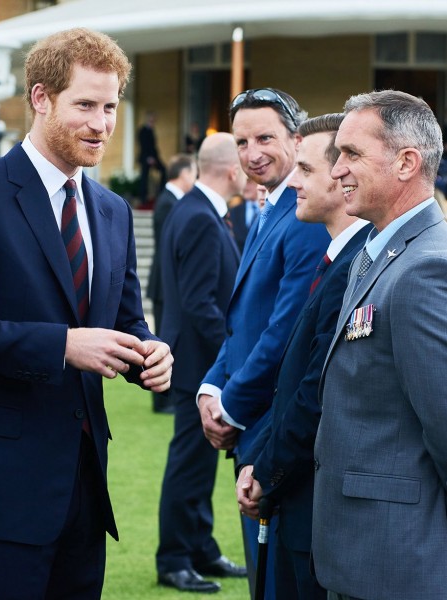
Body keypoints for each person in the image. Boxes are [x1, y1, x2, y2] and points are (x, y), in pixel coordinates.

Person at [0, 28, 173, 600]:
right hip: (3, 483)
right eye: (84, 105)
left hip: (85, 480)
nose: (101, 123)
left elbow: (124, 319)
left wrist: (148, 352)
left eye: (109, 107)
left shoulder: (112, 211)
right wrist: (60, 344)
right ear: (40, 98)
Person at [312, 90, 447, 600]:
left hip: (398, 562)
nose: (336, 170)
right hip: (365, 553)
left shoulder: (424, 269)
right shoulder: (383, 254)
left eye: (351, 154)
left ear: (407, 162)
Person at [197, 88, 330, 599]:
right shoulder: (268, 207)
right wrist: (210, 386)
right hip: (251, 425)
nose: (252, 154)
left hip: (275, 429)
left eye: (265, 138)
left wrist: (229, 407)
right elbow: (243, 320)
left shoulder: (303, 216)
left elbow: (285, 332)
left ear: (298, 140)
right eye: (242, 141)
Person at [235, 113, 371, 600]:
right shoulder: (335, 259)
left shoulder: (358, 267)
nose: (291, 179)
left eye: (306, 170)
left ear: (342, 178)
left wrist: (266, 469)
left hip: (315, 497)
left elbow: (316, 391)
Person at [156, 133, 246, 593]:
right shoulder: (198, 217)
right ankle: (174, 558)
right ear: (231, 170)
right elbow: (198, 302)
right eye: (243, 160)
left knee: (200, 462)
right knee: (189, 462)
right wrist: (232, 356)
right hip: (196, 363)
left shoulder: (199, 210)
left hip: (198, 360)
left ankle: (201, 549)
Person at [147, 153, 197, 413]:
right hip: (164, 283)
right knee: (163, 340)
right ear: (185, 173)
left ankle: (168, 395)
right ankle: (161, 399)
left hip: (168, 282)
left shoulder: (172, 201)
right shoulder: (168, 203)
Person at [137, 111, 166, 206]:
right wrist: (148, 158)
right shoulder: (142, 130)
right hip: (146, 158)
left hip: (154, 157)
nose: (153, 121)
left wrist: (155, 158)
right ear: (148, 119)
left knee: (164, 170)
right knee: (144, 178)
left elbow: (153, 146)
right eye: (151, 119)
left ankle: (161, 193)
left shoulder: (152, 130)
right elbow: (143, 145)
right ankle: (143, 198)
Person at [229, 178, 261, 253]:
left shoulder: (268, 209)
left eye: (249, 183)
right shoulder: (233, 211)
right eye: (244, 182)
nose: (245, 187)